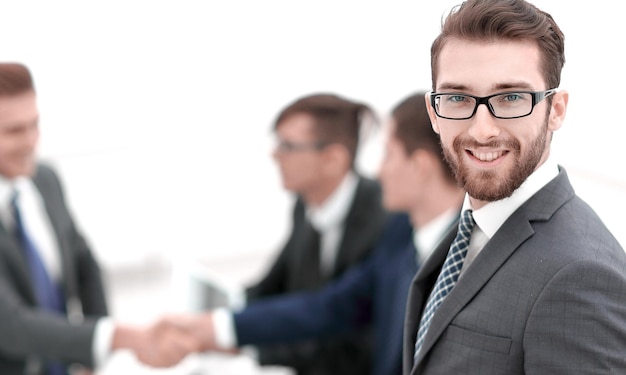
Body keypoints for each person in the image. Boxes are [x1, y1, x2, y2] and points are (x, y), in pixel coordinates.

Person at [161, 91, 464, 375]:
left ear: (421, 165)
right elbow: (328, 306)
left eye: (387, 155)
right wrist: (215, 327)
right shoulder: (401, 236)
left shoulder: (463, 253)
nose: (379, 170)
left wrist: (239, 346)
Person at [402, 1, 626, 374]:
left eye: (511, 98)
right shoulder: (474, 226)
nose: (482, 130)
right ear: (434, 113)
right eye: (457, 98)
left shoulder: (581, 276)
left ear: (555, 110)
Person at [0, 62, 199, 375]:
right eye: (14, 131)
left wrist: (92, 361)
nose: (31, 141)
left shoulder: (44, 180)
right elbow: (10, 325)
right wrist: (122, 338)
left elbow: (84, 264)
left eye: (35, 125)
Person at [243, 93, 389, 375]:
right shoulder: (305, 205)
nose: (274, 155)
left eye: (287, 145)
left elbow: (353, 345)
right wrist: (212, 326)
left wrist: (247, 344)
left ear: (333, 159)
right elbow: (271, 288)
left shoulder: (382, 220)